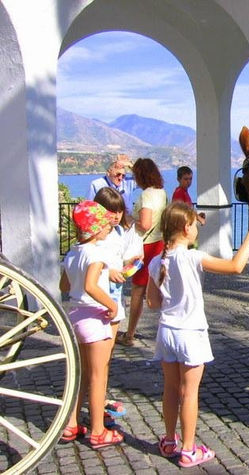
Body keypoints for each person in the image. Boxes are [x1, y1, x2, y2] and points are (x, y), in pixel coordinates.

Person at [146, 202, 249, 468]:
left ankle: (169, 440)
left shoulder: (156, 261)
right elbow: (236, 267)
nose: (196, 229)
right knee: (189, 393)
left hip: (166, 331)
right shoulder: (193, 257)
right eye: (193, 224)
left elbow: (153, 303)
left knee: (170, 389)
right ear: (185, 227)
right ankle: (189, 449)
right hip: (190, 333)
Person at [59, 200, 124, 449]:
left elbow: (64, 286)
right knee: (98, 377)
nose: (109, 227)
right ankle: (98, 430)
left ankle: (71, 423)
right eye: (105, 224)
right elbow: (90, 286)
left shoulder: (73, 252)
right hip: (94, 316)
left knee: (82, 375)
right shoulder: (96, 253)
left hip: (75, 314)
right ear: (95, 228)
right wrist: (112, 305)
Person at [93, 187, 143, 421]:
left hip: (115, 298)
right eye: (110, 211)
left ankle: (100, 398)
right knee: (98, 359)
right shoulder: (96, 237)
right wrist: (108, 271)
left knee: (108, 355)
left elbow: (118, 258)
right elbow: (92, 263)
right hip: (100, 300)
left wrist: (129, 263)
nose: (115, 216)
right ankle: (97, 402)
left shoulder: (119, 234)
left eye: (119, 211)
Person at [117, 158, 168, 347]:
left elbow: (145, 224)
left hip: (145, 246)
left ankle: (129, 334)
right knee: (159, 287)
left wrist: (129, 218)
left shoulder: (146, 195)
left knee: (138, 291)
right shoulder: (162, 193)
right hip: (159, 243)